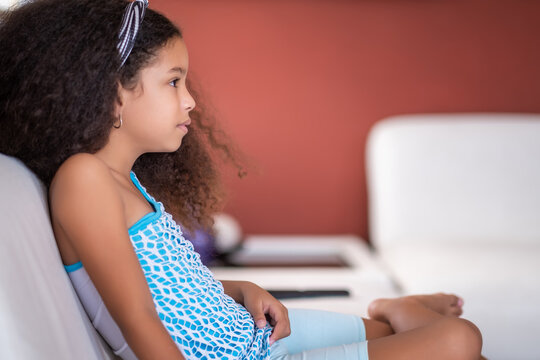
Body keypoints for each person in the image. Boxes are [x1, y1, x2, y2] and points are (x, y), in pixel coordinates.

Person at [0, 0, 485, 359]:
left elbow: (166, 289)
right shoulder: (84, 178)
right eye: (174, 82)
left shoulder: (123, 182)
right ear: (113, 93)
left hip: (247, 335)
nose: (190, 101)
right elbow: (138, 317)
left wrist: (239, 289)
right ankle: (396, 311)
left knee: (439, 344)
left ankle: (391, 312)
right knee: (462, 341)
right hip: (243, 356)